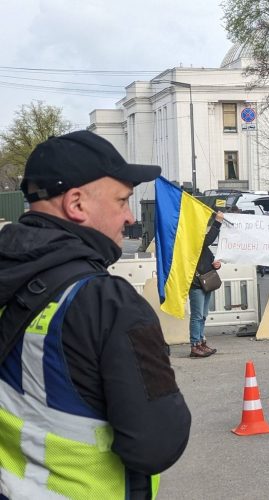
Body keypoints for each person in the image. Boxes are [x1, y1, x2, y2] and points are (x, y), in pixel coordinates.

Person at [0, 131, 190, 498]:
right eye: (121, 200)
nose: (130, 217)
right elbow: (157, 444)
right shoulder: (106, 304)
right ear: (76, 204)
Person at [189, 211, 225, 357]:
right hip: (197, 284)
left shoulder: (200, 243)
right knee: (197, 316)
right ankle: (195, 345)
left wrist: (216, 264)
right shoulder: (191, 241)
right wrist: (217, 222)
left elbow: (209, 257)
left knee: (203, 315)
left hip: (205, 282)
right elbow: (209, 239)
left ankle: (201, 342)